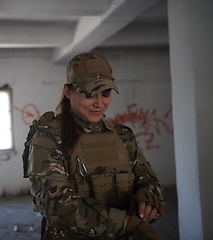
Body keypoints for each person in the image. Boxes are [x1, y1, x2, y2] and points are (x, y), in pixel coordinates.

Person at [25, 52, 166, 239]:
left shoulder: (122, 135)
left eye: (106, 93)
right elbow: (56, 204)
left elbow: (149, 182)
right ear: (68, 91)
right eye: (90, 94)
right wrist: (127, 223)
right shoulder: (49, 138)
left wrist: (148, 200)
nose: (99, 103)